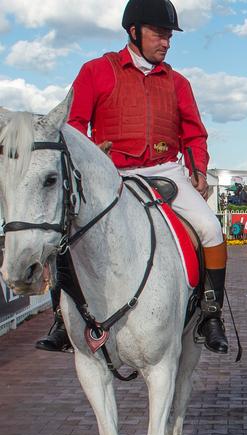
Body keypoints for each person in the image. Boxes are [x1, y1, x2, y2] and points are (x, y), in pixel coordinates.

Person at [35, 0, 229, 354]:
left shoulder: (178, 83)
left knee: (211, 229)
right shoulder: (95, 71)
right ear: (134, 31)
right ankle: (62, 319)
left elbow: (195, 134)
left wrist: (198, 169)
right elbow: (73, 125)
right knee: (65, 233)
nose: (166, 42)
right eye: (159, 33)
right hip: (109, 171)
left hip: (163, 169)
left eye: (169, 36)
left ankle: (210, 314)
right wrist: (92, 153)